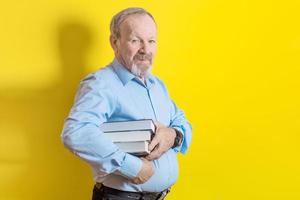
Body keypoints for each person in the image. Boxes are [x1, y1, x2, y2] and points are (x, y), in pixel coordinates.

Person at [61, 7, 192, 200]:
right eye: (135, 40)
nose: (145, 50)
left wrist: (173, 135)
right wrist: (132, 167)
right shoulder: (101, 84)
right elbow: (76, 132)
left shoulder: (157, 84)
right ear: (115, 42)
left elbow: (183, 123)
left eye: (151, 41)